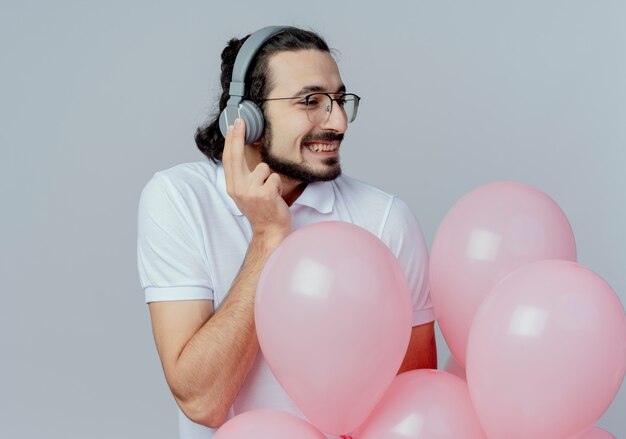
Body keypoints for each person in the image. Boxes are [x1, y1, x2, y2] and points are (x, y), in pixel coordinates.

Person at [137, 26, 437, 439]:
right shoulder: (178, 199)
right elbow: (202, 402)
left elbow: (415, 404)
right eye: (311, 101)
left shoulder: (385, 219)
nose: (339, 121)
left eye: (339, 100)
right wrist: (268, 238)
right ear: (246, 119)